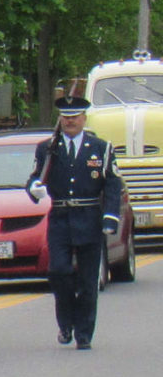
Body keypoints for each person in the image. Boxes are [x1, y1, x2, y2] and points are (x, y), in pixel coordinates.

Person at [27, 95, 122, 350]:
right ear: (60, 119)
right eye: (66, 117)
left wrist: (110, 217)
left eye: (75, 117)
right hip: (60, 219)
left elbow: (112, 184)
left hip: (89, 217)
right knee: (59, 271)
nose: (70, 121)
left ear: (84, 119)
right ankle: (66, 322)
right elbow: (35, 177)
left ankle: (84, 334)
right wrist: (34, 188)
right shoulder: (48, 148)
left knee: (88, 281)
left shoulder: (100, 147)